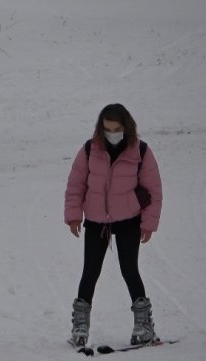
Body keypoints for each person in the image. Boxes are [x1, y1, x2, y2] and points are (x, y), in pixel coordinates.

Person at [64, 103, 162, 347]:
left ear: (126, 127)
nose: (112, 133)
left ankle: (144, 325)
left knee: (130, 269)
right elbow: (75, 185)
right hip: (97, 222)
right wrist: (74, 215)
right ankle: (80, 326)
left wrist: (149, 223)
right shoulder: (89, 150)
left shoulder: (141, 151)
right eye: (107, 129)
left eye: (116, 128)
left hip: (129, 220)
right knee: (90, 272)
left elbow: (154, 190)